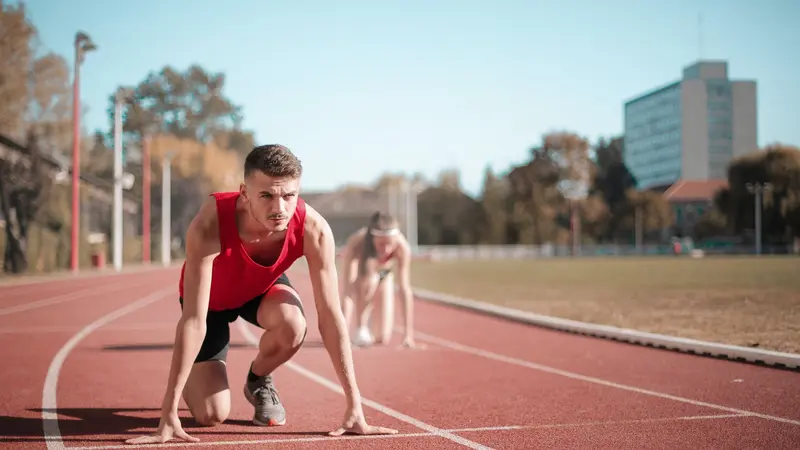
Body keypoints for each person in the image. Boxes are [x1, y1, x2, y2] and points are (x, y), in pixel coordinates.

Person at [126, 144, 397, 445]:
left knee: (294, 324)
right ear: (245, 193)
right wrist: (168, 412)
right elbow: (193, 320)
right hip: (210, 304)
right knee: (211, 415)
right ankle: (192, 375)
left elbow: (331, 316)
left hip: (259, 290)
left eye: (288, 195)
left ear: (298, 191)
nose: (279, 208)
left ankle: (258, 379)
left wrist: (354, 405)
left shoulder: (314, 230)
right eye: (266, 195)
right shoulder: (209, 224)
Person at [338, 212, 418, 348]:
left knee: (382, 338)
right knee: (369, 282)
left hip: (385, 275)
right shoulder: (357, 243)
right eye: (381, 244)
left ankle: (371, 328)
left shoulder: (402, 248)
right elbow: (348, 290)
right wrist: (341, 331)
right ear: (372, 239)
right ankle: (361, 327)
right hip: (363, 274)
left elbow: (404, 289)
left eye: (389, 244)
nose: (386, 250)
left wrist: (408, 335)